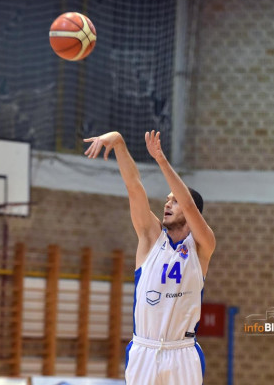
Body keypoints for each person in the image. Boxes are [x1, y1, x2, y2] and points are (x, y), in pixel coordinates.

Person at [84, 130, 216, 385]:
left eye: (174, 201)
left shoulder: (203, 245)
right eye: (167, 200)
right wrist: (120, 143)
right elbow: (134, 187)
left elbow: (189, 206)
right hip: (144, 348)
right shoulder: (150, 237)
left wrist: (161, 160)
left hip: (183, 352)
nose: (167, 204)